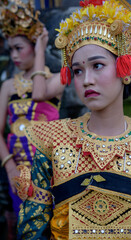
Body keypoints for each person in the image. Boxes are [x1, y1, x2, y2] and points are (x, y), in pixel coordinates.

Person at [15, 0, 131, 239]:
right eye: (78, 70)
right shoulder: (52, 142)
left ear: (126, 68)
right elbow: (33, 230)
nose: (86, 80)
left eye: (98, 65)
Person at [0, 0, 64, 236]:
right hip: (18, 171)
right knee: (26, 228)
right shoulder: (7, 86)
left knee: (54, 227)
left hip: (51, 169)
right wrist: (10, 168)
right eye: (11, 50)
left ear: (34, 45)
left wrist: (40, 50)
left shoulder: (57, 79)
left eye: (20, 48)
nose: (14, 55)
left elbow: (38, 94)